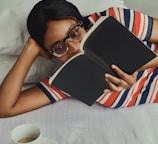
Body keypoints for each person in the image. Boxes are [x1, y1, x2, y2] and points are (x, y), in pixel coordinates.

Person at [0, 0, 158, 117]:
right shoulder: (70, 78)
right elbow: (5, 108)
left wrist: (134, 66)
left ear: (82, 23)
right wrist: (29, 50)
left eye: (75, 33)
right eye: (59, 48)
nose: (75, 48)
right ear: (49, 54)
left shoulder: (116, 20)